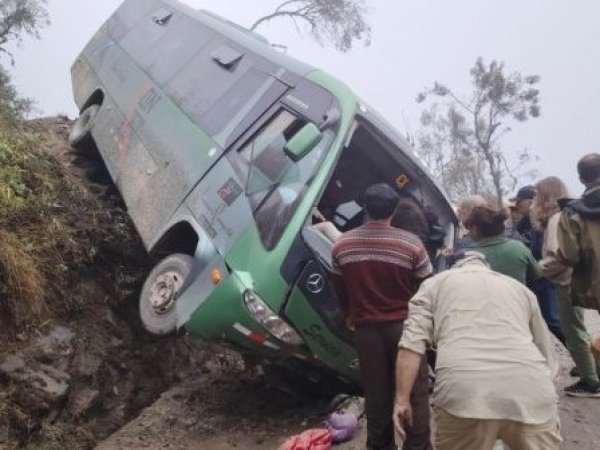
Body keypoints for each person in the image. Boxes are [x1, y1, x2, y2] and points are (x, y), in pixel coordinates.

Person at [393, 252, 561, 450]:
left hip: (465, 394)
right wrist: (547, 393)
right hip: (531, 390)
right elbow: (546, 352)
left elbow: (412, 344)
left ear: (452, 267)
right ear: (487, 266)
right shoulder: (520, 289)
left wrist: (402, 400)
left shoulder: (434, 284)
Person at [331, 183, 433, 450]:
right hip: (405, 329)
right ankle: (418, 446)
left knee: (377, 396)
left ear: (365, 207)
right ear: (395, 208)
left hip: (366, 332)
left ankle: (379, 446)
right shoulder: (411, 244)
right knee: (414, 393)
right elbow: (427, 288)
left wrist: (350, 315)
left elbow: (340, 289)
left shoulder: (342, 244)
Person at [555, 153, 600, 396]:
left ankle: (593, 381)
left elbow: (569, 255)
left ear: (582, 178)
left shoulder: (571, 212)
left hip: (592, 281)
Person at [465, 205, 541, 286]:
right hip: (516, 297)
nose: (468, 233)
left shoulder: (467, 256)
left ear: (475, 229)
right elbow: (538, 274)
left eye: (469, 228)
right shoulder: (519, 248)